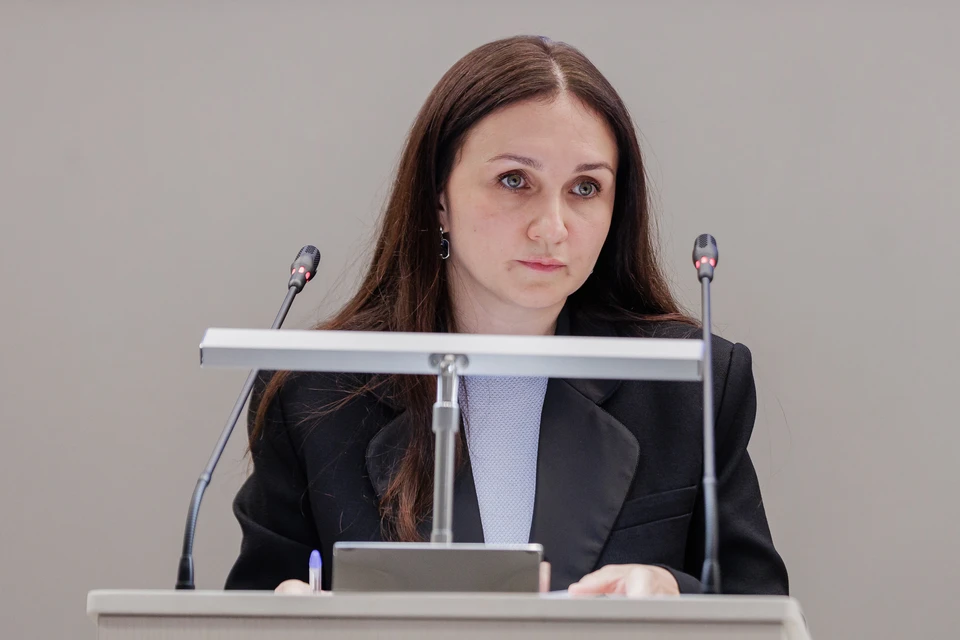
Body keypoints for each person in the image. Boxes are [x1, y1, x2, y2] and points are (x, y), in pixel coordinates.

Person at [224, 35, 788, 597]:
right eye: (514, 180)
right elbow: (257, 603)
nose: (552, 227)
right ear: (439, 198)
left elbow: (759, 611)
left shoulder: (689, 386)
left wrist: (673, 597)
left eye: (585, 187)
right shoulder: (312, 394)